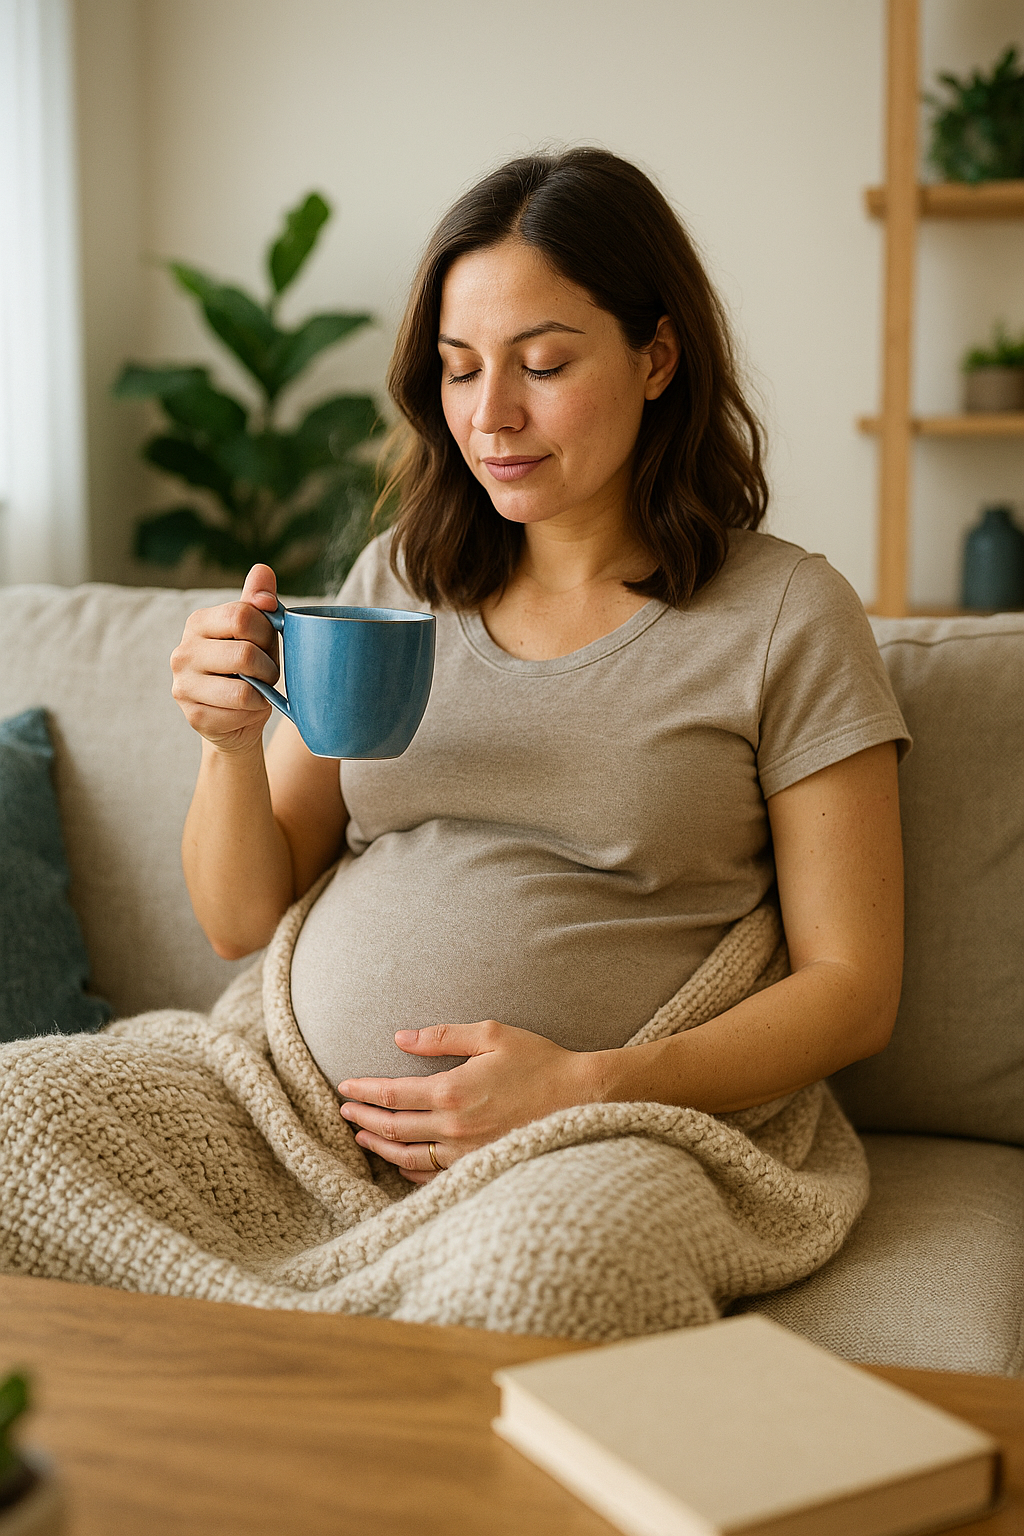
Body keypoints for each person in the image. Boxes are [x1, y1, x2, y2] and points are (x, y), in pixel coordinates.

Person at [171, 147, 909, 1191]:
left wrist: (585, 1089)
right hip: (292, 1113)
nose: (490, 415)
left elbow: (852, 989)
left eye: (544, 365)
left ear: (657, 358)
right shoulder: (398, 580)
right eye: (460, 366)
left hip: (596, 1141)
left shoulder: (783, 615)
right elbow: (238, 919)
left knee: (539, 1274)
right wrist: (228, 744)